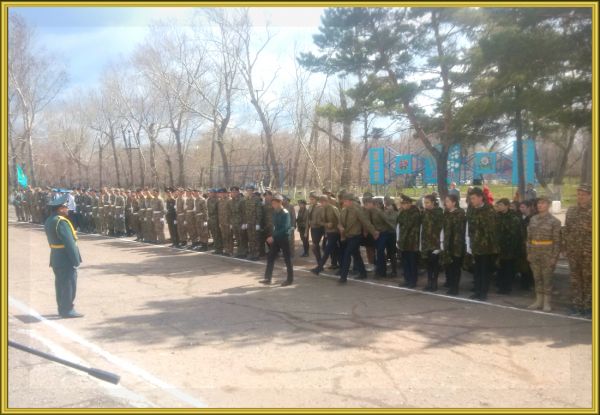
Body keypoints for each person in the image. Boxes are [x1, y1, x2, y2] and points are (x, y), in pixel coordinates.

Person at [43, 194, 83, 318]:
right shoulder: (61, 222)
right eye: (65, 207)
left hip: (56, 257)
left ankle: (62, 308)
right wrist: (76, 260)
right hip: (65, 258)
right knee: (69, 284)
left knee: (60, 284)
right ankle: (67, 310)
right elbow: (69, 243)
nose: (67, 209)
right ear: (60, 209)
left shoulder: (50, 220)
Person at [526, 194, 561, 311]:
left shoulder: (554, 221)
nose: (539, 205)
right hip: (535, 252)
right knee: (537, 277)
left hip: (547, 253)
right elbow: (529, 238)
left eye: (543, 203)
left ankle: (547, 302)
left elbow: (557, 241)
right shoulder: (533, 219)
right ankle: (538, 301)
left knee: (547, 278)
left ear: (548, 205)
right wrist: (529, 252)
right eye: (538, 203)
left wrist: (554, 257)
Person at [563, 184, 592, 318]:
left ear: (590, 196)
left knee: (589, 280)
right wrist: (565, 247)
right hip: (573, 252)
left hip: (589, 253)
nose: (581, 197)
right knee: (575, 280)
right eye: (579, 194)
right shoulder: (571, 210)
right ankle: (576, 306)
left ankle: (589, 307)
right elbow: (566, 229)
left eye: (584, 194)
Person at [337, 193, 379, 283]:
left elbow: (365, 222)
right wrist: (340, 227)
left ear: (350, 201)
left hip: (356, 236)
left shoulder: (357, 210)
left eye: (345, 201)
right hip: (348, 236)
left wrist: (374, 232)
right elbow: (339, 223)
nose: (343, 203)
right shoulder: (344, 210)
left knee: (347, 254)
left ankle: (343, 277)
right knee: (356, 255)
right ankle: (363, 273)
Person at [467, 187, 498, 301]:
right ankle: (477, 291)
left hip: (486, 246)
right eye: (471, 199)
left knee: (484, 270)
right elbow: (470, 227)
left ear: (481, 198)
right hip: (475, 245)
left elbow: (491, 230)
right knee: (477, 270)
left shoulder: (489, 210)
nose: (472, 201)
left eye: (474, 198)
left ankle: (483, 293)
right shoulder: (472, 209)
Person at [261, 194, 294, 286]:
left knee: (287, 259)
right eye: (272, 203)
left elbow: (285, 228)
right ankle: (268, 278)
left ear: (280, 202)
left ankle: (290, 280)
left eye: (274, 203)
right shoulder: (275, 212)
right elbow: (275, 226)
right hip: (276, 238)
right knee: (270, 257)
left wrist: (273, 237)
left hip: (284, 238)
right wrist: (273, 236)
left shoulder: (285, 213)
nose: (273, 205)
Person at [494, 198, 522, 294]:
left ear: (507, 206)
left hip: (510, 248)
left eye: (501, 205)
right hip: (500, 247)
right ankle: (501, 286)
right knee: (500, 268)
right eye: (498, 205)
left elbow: (515, 234)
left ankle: (507, 287)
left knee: (508, 268)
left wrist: (513, 248)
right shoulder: (497, 216)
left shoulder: (513, 217)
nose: (499, 207)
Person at [442, 194, 466, 295]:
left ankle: (455, 288)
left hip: (457, 244)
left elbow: (460, 230)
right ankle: (451, 285)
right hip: (448, 243)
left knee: (456, 267)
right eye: (446, 201)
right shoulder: (446, 213)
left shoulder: (460, 214)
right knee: (449, 267)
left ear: (454, 203)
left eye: (448, 201)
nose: (446, 203)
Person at [310, 195, 340, 275]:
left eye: (323, 202)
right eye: (321, 202)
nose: (322, 203)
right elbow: (319, 221)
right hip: (329, 232)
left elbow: (340, 220)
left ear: (327, 201)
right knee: (335, 250)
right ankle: (341, 267)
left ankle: (319, 268)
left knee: (327, 250)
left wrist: (341, 232)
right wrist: (326, 224)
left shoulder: (334, 208)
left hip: (336, 232)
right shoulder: (322, 209)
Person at [420, 194, 444, 291]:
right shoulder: (425, 213)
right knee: (428, 264)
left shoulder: (438, 213)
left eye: (427, 202)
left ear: (433, 202)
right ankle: (429, 282)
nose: (425, 204)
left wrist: (440, 245)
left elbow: (442, 229)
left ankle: (434, 283)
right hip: (426, 243)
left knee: (435, 264)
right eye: (424, 203)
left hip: (435, 243)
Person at [366, 198, 395, 278]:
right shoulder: (369, 212)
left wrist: (394, 231)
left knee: (380, 251)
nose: (366, 206)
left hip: (383, 233)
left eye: (367, 204)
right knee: (378, 252)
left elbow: (387, 222)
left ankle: (381, 271)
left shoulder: (379, 212)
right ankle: (380, 270)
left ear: (372, 204)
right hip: (376, 234)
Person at [397, 194, 421, 288]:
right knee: (405, 262)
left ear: (410, 203)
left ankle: (413, 281)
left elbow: (407, 225)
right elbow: (399, 223)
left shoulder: (415, 213)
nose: (403, 205)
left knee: (412, 263)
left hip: (412, 242)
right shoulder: (403, 212)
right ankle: (407, 280)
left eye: (405, 203)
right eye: (402, 203)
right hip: (404, 241)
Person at [307, 192, 325, 264]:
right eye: (310, 199)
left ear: (317, 199)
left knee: (316, 246)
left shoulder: (320, 207)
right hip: (313, 228)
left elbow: (323, 218)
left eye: (312, 199)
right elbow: (308, 218)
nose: (311, 201)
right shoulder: (310, 207)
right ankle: (319, 262)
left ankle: (321, 263)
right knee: (315, 247)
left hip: (319, 228)